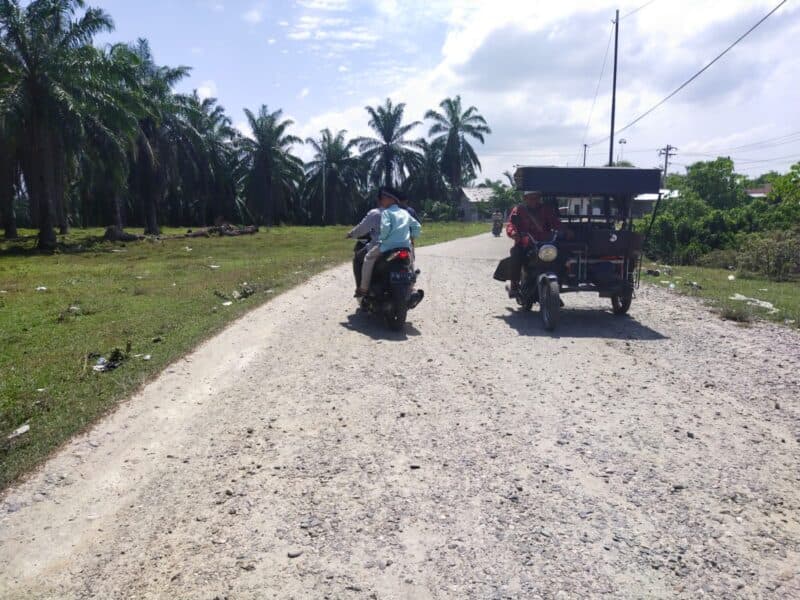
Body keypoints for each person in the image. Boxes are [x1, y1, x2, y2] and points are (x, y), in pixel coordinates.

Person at [356, 186, 421, 297]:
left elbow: (385, 227)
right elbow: (417, 226)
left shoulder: (386, 212)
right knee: (410, 263)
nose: (381, 201)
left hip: (388, 246)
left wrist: (383, 239)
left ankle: (363, 288)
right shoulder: (405, 213)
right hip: (405, 246)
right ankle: (411, 288)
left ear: (391, 199)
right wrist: (412, 238)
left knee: (368, 258)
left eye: (383, 198)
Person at [505, 191, 563, 297]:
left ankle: (556, 286)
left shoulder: (546, 209)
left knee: (561, 256)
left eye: (536, 198)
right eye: (530, 198)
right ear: (525, 198)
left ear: (539, 198)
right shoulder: (519, 210)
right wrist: (513, 233)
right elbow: (511, 224)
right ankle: (514, 285)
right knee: (516, 254)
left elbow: (555, 222)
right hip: (525, 243)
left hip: (543, 243)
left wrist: (564, 231)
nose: (533, 201)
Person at [346, 196, 382, 290]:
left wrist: (351, 234)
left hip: (381, 245)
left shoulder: (376, 213)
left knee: (358, 258)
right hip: (403, 245)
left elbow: (362, 228)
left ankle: (361, 288)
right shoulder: (401, 212)